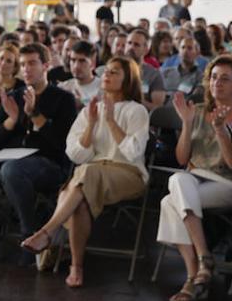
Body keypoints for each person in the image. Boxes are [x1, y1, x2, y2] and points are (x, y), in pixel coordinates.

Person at [20, 56, 150, 287]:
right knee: (80, 197)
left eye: (114, 72)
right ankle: (76, 268)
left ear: (128, 79)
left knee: (84, 175)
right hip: (91, 175)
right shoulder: (91, 110)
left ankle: (47, 232)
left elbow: (133, 152)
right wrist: (91, 125)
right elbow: (75, 155)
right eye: (106, 71)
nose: (107, 75)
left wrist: (110, 121)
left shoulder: (136, 110)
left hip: (128, 173)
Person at [0, 43, 78, 266]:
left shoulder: (62, 99)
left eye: (32, 63)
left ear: (45, 66)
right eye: (23, 64)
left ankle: (29, 233)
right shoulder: (14, 96)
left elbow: (62, 145)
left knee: (11, 170)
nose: (26, 69)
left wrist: (35, 115)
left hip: (50, 163)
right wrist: (12, 120)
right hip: (12, 158)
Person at [160, 57, 232, 301]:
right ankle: (199, 271)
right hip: (194, 180)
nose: (217, 82)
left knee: (170, 199)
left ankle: (195, 271)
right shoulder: (198, 110)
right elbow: (182, 158)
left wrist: (219, 130)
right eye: (214, 77)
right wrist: (185, 123)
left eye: (225, 78)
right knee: (177, 184)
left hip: (227, 183)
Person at [122, 29, 167, 110]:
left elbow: (158, 110)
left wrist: (136, 100)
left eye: (136, 45)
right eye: (129, 43)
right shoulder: (116, 71)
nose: (131, 47)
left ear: (146, 49)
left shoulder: (154, 75)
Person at [58, 40, 101, 107]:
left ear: (92, 62)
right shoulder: (63, 88)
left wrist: (81, 105)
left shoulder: (104, 89)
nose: (76, 66)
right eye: (73, 60)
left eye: (82, 61)